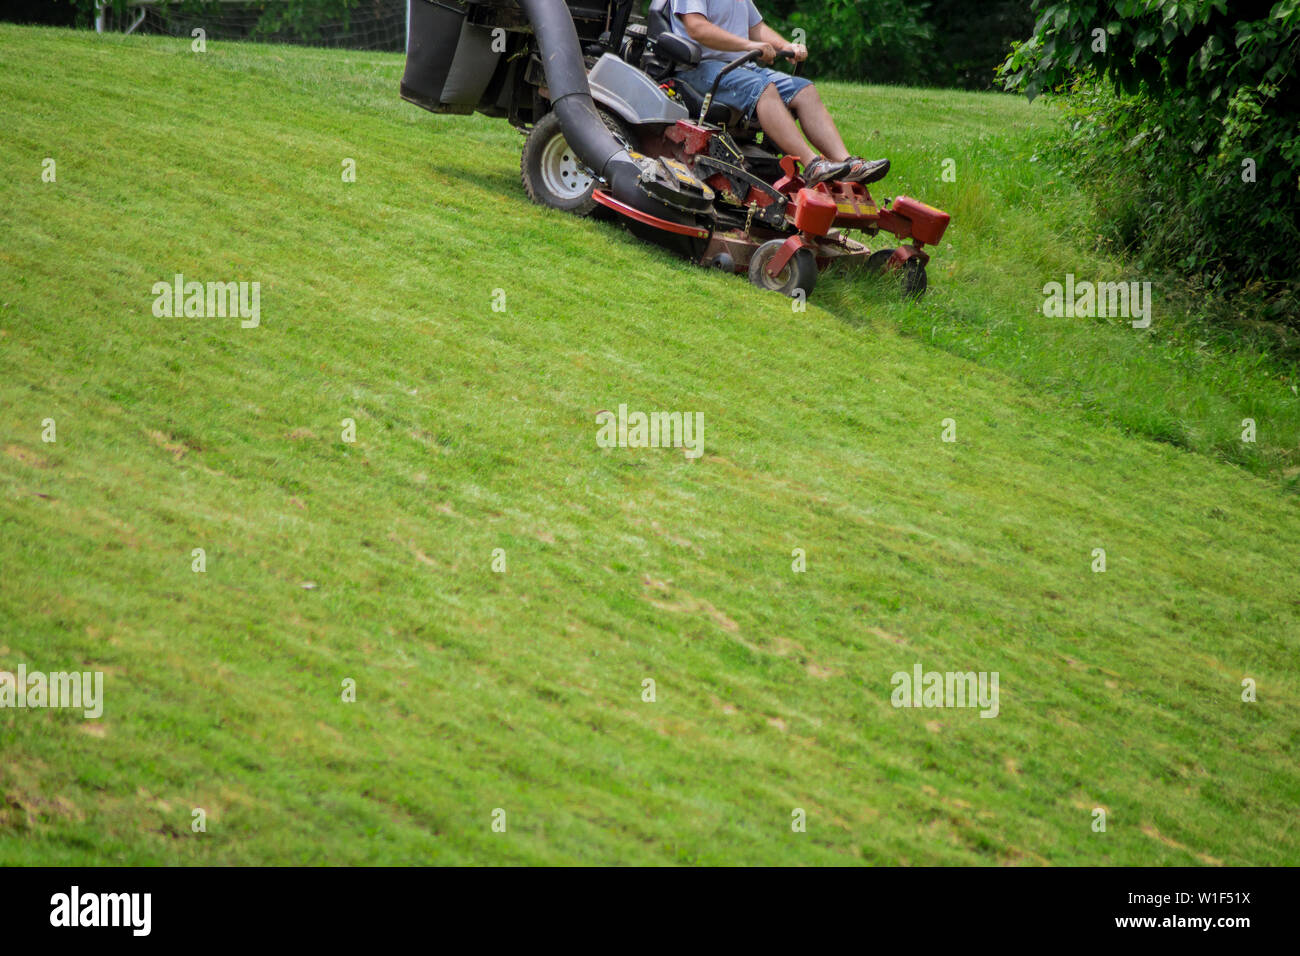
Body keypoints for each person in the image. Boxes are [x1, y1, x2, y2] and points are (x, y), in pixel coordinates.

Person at [667, 0, 889, 187]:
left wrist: (785, 45)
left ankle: (849, 165)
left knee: (804, 90)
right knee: (762, 89)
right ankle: (812, 165)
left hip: (738, 66)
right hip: (700, 68)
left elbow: (756, 27)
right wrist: (749, 45)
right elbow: (697, 28)